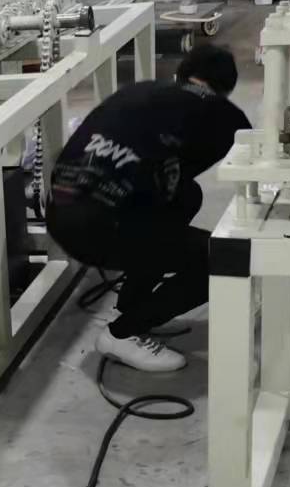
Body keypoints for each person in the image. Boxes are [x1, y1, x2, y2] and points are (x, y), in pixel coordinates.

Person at [46, 42, 249, 372]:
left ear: (179, 75)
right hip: (102, 232)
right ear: (225, 91)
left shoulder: (136, 91)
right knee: (225, 256)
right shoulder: (222, 115)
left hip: (59, 217)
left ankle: (130, 308)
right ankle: (122, 333)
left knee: (186, 196)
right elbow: (248, 158)